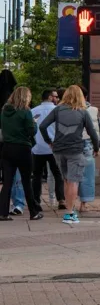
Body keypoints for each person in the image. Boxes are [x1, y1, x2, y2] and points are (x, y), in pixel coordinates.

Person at [38, 86, 100, 225]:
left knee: (66, 179)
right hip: (75, 150)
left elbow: (42, 126)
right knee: (73, 181)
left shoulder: (58, 110)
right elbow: (92, 133)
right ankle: (70, 213)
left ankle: (68, 209)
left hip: (59, 150)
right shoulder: (83, 112)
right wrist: (96, 148)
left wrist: (49, 141)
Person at [0, 87, 42, 221]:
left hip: (6, 148)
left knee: (7, 182)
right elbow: (31, 131)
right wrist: (34, 124)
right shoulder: (26, 111)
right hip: (22, 148)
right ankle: (33, 212)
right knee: (26, 181)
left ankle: (3, 212)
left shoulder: (4, 111)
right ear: (26, 97)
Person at [31, 90, 64, 211]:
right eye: (56, 97)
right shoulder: (58, 111)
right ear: (50, 97)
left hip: (37, 148)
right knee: (58, 174)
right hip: (54, 147)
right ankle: (61, 199)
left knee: (37, 176)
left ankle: (36, 200)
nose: (58, 99)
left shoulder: (33, 111)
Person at [78, 88, 100, 213]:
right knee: (87, 175)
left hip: (72, 144)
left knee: (70, 176)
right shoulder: (94, 110)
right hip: (88, 143)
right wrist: (98, 145)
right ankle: (84, 203)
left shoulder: (66, 109)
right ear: (86, 97)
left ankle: (68, 202)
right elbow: (99, 128)